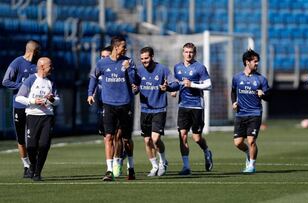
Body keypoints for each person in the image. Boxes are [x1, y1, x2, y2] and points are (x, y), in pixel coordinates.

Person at [87, 35, 137, 181]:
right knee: (108, 137)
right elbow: (93, 77)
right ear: (116, 47)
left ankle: (131, 167)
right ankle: (109, 170)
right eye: (123, 46)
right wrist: (90, 94)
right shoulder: (102, 63)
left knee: (126, 139)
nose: (125, 49)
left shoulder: (128, 62)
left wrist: (129, 70)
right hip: (108, 104)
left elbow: (135, 82)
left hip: (125, 104)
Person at [133, 47, 178, 176]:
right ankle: (154, 166)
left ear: (152, 56)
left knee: (155, 139)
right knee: (147, 141)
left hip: (159, 109)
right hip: (145, 110)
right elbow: (135, 90)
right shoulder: (139, 71)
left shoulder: (163, 69)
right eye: (142, 59)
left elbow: (175, 84)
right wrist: (135, 89)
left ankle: (163, 162)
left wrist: (167, 87)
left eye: (146, 58)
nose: (144, 61)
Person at [15, 57, 60, 181]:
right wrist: (33, 101)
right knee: (31, 146)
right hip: (32, 116)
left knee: (44, 145)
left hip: (47, 117)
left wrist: (52, 99)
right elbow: (19, 98)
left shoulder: (51, 81)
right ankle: (32, 166)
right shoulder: (31, 80)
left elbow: (57, 100)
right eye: (50, 66)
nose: (52, 68)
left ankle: (37, 172)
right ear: (42, 67)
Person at [2, 40, 41, 178]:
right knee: (21, 138)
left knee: (33, 137)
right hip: (19, 105)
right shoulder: (17, 63)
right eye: (38, 51)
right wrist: (23, 86)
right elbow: (5, 81)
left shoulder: (39, 64)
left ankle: (34, 164)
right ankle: (26, 165)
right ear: (33, 51)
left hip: (35, 106)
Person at [173, 42, 213, 175]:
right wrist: (173, 89)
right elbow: (178, 83)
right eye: (186, 52)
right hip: (183, 105)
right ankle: (186, 167)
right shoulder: (177, 67)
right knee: (182, 135)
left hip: (197, 105)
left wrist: (192, 84)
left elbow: (208, 85)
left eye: (190, 52)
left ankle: (207, 151)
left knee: (197, 138)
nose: (188, 54)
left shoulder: (200, 67)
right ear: (182, 53)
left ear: (194, 53)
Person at [231, 49, 270, 174]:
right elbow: (232, 91)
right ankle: (248, 152)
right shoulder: (237, 77)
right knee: (237, 143)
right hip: (241, 113)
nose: (257, 64)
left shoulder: (261, 79)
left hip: (255, 113)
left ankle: (252, 165)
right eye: (255, 61)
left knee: (251, 140)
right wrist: (234, 102)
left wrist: (262, 95)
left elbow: (268, 97)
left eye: (257, 61)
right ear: (247, 62)